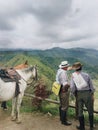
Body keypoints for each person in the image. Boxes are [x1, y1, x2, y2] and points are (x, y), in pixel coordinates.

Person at [70, 62, 95, 130]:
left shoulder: (73, 76)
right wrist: (92, 93)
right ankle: (91, 126)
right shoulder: (87, 75)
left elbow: (72, 87)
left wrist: (73, 94)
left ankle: (82, 127)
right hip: (87, 94)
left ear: (75, 69)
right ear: (81, 68)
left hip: (79, 94)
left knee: (80, 111)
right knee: (90, 110)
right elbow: (91, 86)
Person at [56, 61, 72, 126]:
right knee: (65, 106)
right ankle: (64, 121)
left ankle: (61, 118)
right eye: (67, 66)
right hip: (64, 90)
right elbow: (65, 84)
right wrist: (70, 84)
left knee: (61, 104)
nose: (68, 67)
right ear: (65, 67)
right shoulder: (64, 73)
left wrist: (72, 67)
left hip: (59, 89)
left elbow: (67, 70)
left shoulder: (59, 71)